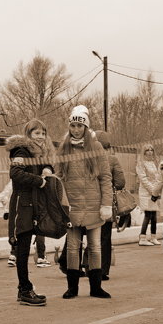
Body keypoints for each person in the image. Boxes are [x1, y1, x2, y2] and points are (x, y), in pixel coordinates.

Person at [57, 105, 111, 298]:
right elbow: (59, 177)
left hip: (94, 206)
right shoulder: (63, 148)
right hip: (73, 206)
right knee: (73, 247)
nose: (76, 129)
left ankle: (96, 287)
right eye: (73, 125)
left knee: (95, 246)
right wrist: (62, 203)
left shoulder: (96, 148)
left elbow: (105, 177)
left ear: (86, 128)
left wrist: (106, 204)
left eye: (80, 126)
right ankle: (72, 288)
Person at [5, 119, 54, 306]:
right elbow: (16, 174)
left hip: (31, 205)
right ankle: (25, 290)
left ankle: (22, 289)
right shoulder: (21, 151)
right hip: (21, 205)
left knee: (24, 248)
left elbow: (45, 167)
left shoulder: (38, 153)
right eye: (37, 133)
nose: (41, 137)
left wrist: (48, 168)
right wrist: (39, 181)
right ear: (29, 135)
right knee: (22, 250)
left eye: (43, 133)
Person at [96, 130, 126, 279]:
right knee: (105, 237)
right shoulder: (112, 159)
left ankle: (89, 266)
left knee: (91, 236)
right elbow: (121, 183)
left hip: (90, 201)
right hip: (106, 202)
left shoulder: (88, 157)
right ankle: (103, 270)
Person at [135, 143, 163, 245]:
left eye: (151, 150)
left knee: (154, 215)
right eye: (147, 150)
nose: (150, 152)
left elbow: (156, 178)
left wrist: (156, 190)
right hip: (145, 192)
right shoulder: (141, 163)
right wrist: (153, 190)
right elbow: (143, 179)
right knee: (148, 215)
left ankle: (153, 237)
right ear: (144, 152)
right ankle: (142, 238)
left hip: (153, 192)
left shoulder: (153, 163)